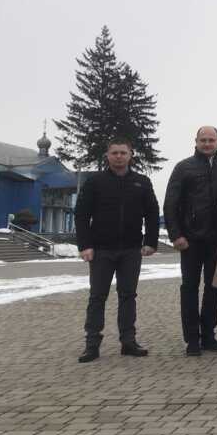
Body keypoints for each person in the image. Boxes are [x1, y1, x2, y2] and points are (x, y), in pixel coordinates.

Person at [75, 137, 159, 363]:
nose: (119, 157)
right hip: (101, 250)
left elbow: (152, 213)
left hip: (131, 249)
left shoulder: (142, 182)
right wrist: (85, 245)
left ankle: (128, 341)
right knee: (97, 297)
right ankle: (92, 344)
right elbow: (81, 215)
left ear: (131, 155)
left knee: (128, 296)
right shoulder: (95, 182)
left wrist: (151, 241)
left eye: (123, 152)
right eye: (115, 153)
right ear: (108, 155)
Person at [163, 126, 217, 356]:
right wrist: (176, 235)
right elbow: (171, 203)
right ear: (195, 141)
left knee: (214, 289)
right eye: (203, 140)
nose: (207, 143)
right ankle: (192, 338)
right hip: (191, 240)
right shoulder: (184, 167)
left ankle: (209, 335)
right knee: (190, 288)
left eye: (211, 140)